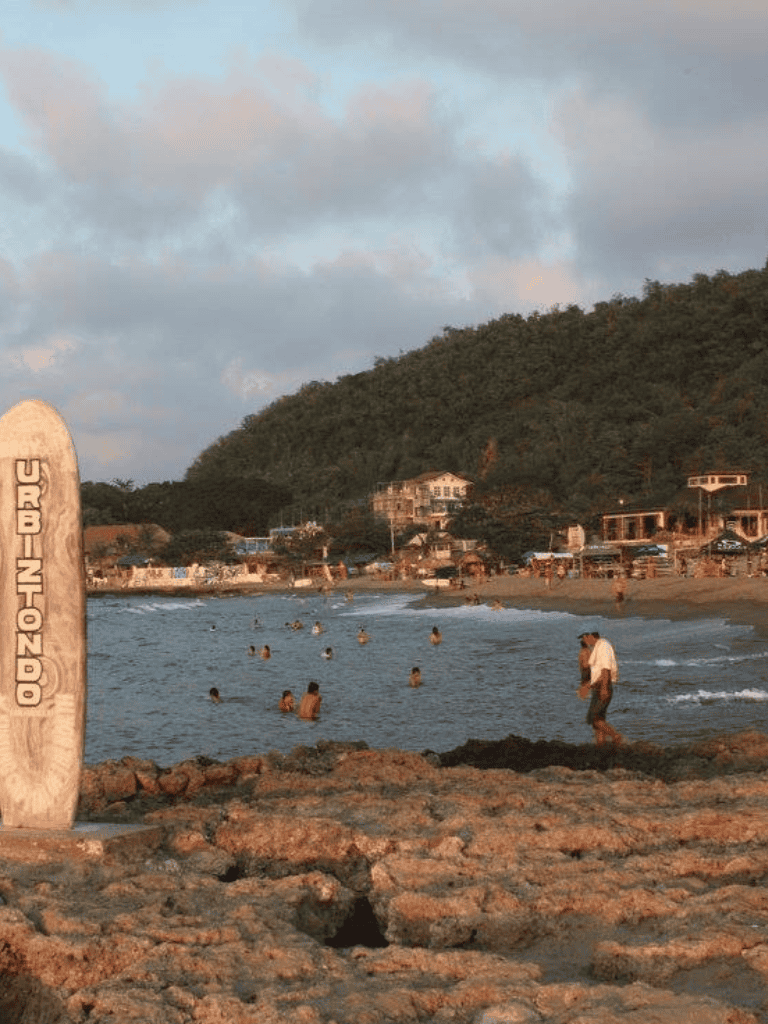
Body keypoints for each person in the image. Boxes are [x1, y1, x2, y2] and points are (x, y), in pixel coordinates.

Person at [581, 631, 623, 747]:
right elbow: (597, 673)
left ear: (590, 636)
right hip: (599, 687)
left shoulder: (603, 646)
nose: (583, 641)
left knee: (595, 718)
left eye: (584, 638)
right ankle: (601, 745)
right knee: (597, 719)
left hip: (603, 687)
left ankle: (616, 736)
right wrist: (589, 686)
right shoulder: (597, 647)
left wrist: (603, 689)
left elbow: (606, 671)